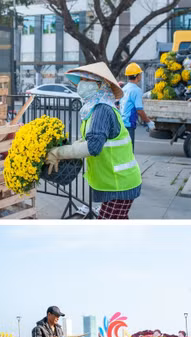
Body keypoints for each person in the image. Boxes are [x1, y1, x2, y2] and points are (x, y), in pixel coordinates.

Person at [46, 62, 142, 219]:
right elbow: (88, 139)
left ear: (101, 85)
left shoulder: (102, 110)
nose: (81, 84)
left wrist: (58, 152)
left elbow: (93, 147)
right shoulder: (94, 109)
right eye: (81, 80)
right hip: (115, 182)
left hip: (119, 184)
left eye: (87, 80)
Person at [120, 63, 155, 151]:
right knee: (129, 153)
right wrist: (148, 122)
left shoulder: (124, 88)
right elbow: (139, 110)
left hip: (121, 123)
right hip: (129, 124)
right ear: (137, 76)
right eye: (139, 74)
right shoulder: (136, 90)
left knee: (123, 152)